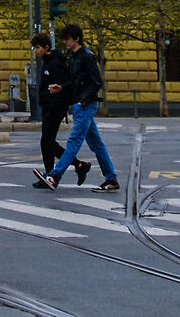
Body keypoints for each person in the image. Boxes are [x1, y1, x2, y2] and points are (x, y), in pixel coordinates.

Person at [35, 23, 118, 193]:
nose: (65, 42)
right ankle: (111, 179)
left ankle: (55, 175)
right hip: (81, 103)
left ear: (76, 39)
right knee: (97, 145)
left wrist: (83, 101)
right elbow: (75, 81)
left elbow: (96, 82)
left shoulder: (86, 56)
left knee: (74, 141)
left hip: (85, 104)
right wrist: (62, 87)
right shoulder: (74, 56)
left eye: (67, 39)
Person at [26, 31, 66, 178]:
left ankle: (49, 173)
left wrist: (53, 104)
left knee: (46, 141)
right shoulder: (48, 62)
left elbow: (60, 86)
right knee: (48, 141)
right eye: (35, 48)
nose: (35, 51)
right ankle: (79, 165)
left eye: (37, 48)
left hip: (54, 107)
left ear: (46, 47)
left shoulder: (54, 63)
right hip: (49, 106)